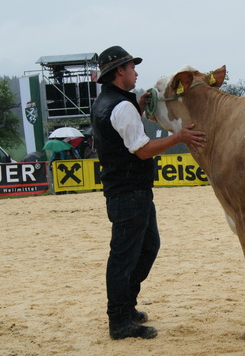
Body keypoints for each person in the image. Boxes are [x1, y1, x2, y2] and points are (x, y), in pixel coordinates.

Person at [91, 46, 207, 340]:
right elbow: (142, 150)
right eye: (131, 67)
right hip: (131, 191)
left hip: (125, 189)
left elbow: (123, 130)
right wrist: (178, 136)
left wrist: (140, 107)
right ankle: (119, 320)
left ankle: (126, 308)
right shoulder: (121, 107)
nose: (136, 72)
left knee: (144, 248)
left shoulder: (107, 102)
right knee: (125, 256)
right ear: (120, 72)